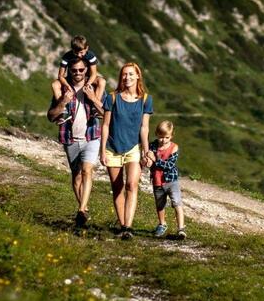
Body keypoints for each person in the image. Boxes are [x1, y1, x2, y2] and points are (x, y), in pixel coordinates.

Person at [47, 57, 104, 229]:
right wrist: (63, 101)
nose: (78, 73)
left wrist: (93, 98)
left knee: (87, 171)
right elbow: (51, 116)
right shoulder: (63, 89)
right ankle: (84, 209)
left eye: (81, 70)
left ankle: (80, 209)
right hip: (70, 138)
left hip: (91, 136)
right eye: (74, 70)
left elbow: (106, 113)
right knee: (76, 176)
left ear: (87, 70)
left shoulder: (94, 87)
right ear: (69, 71)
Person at [100, 62, 153, 240]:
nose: (127, 77)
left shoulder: (146, 99)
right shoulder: (112, 98)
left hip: (133, 149)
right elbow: (105, 125)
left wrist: (146, 151)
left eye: (131, 74)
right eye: (124, 74)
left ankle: (128, 227)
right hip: (112, 149)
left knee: (132, 184)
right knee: (117, 188)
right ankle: (123, 226)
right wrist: (101, 151)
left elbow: (144, 128)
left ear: (138, 76)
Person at [149, 120, 186, 239]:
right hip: (157, 180)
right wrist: (147, 160)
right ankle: (162, 224)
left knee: (177, 202)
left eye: (166, 137)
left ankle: (181, 228)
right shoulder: (152, 146)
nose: (163, 140)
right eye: (160, 137)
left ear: (171, 136)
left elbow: (169, 165)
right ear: (156, 134)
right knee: (160, 204)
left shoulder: (174, 147)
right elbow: (147, 157)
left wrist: (155, 159)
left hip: (171, 181)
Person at [52, 35, 106, 101]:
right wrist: (67, 85)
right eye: (76, 53)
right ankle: (61, 105)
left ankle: (96, 102)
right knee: (55, 84)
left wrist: (88, 84)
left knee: (102, 81)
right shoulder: (67, 56)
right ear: (72, 50)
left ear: (86, 48)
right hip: (71, 77)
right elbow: (60, 75)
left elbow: (93, 74)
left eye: (81, 52)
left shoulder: (90, 56)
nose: (79, 55)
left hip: (87, 78)